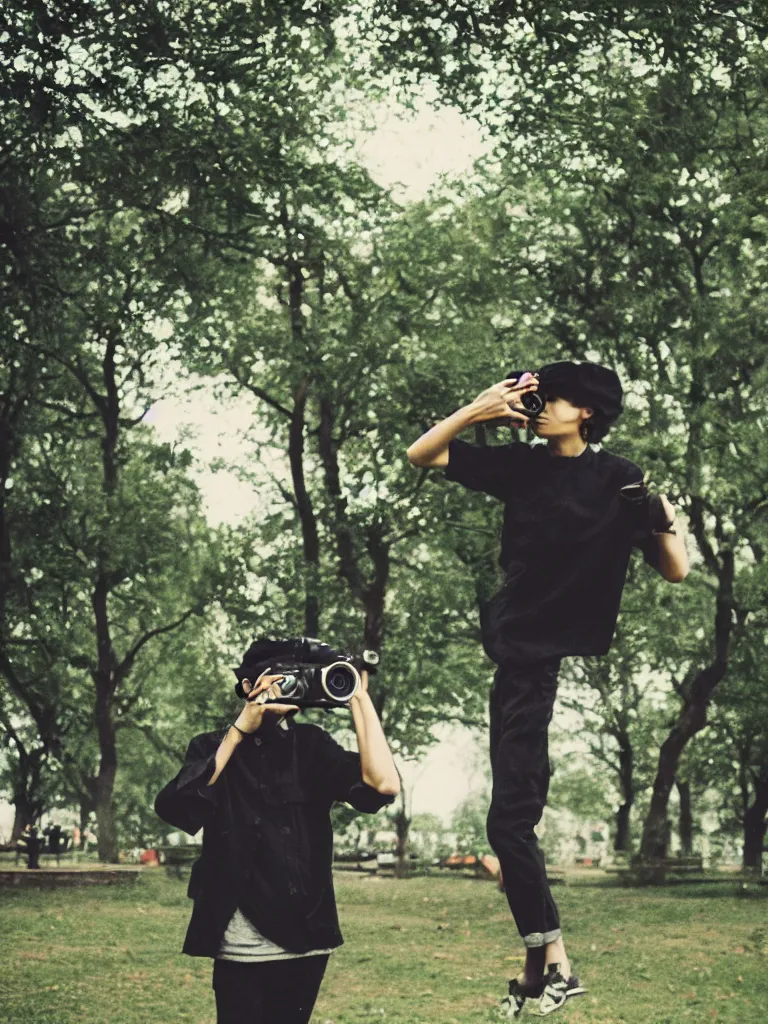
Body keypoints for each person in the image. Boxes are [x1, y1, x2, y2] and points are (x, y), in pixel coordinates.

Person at [406, 360, 689, 1017]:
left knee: (507, 824)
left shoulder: (617, 479)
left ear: (584, 410)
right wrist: (481, 408)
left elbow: (673, 570)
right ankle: (539, 974)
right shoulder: (523, 466)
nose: (538, 407)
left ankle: (556, 965)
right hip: (516, 658)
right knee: (513, 822)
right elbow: (422, 453)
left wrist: (660, 512)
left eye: (550, 398)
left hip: (540, 660)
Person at [155, 636, 400, 1024]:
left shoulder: (313, 747)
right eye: (276, 678)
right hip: (241, 942)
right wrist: (239, 730)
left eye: (294, 677)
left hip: (306, 938)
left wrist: (358, 696)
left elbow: (383, 785)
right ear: (249, 685)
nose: (286, 686)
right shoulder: (211, 746)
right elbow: (177, 805)